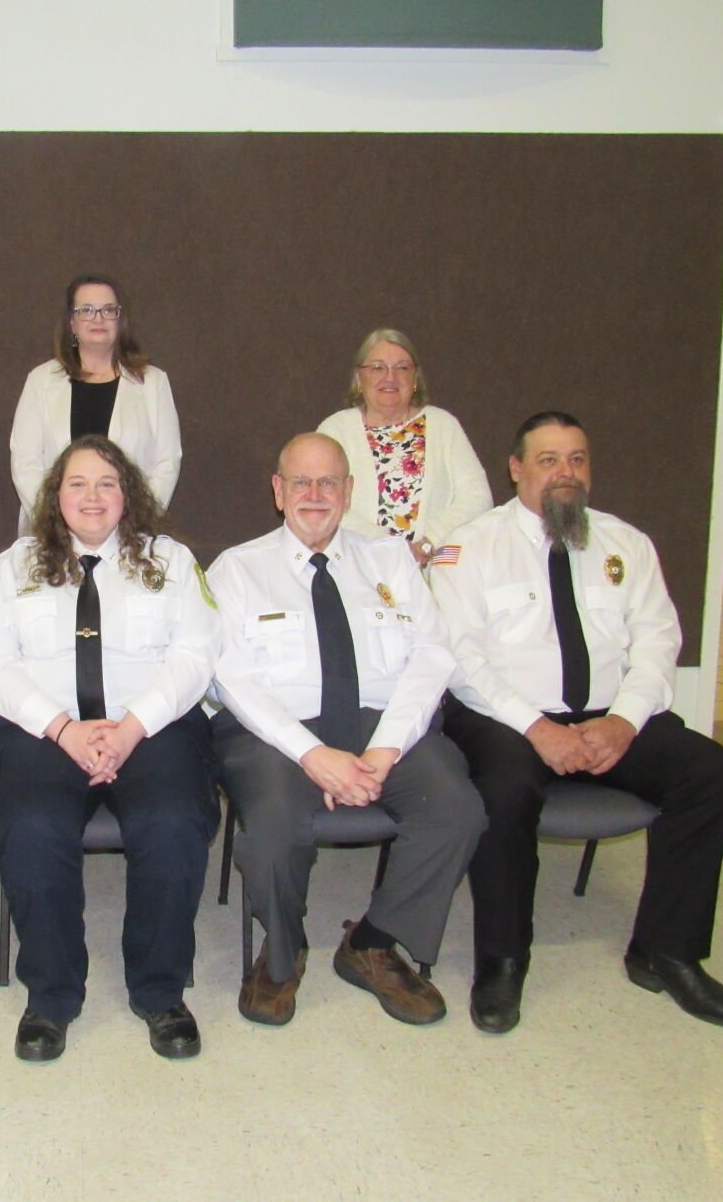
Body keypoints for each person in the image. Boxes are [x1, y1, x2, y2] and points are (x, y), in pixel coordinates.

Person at [428, 411, 723, 1033]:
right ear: (516, 469)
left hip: (612, 715)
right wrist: (538, 729)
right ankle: (502, 960)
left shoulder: (626, 545)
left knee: (711, 774)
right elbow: (460, 659)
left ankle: (668, 951)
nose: (565, 473)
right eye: (548, 460)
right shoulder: (468, 549)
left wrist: (625, 722)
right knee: (503, 789)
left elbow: (659, 644)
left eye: (577, 459)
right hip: (507, 717)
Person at [208, 433, 485, 1028]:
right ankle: (282, 955)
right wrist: (313, 755)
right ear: (277, 491)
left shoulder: (390, 561)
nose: (315, 494)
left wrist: (386, 748)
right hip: (274, 733)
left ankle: (373, 943)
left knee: (457, 810)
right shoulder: (237, 569)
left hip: (384, 728)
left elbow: (433, 655)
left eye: (329, 481)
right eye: (300, 482)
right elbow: (230, 678)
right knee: (275, 826)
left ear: (349, 491)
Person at [0, 435, 219, 1063]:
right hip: (43, 730)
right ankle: (50, 998)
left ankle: (160, 992)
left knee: (173, 822)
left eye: (107, 483)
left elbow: (195, 657)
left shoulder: (173, 561)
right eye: (78, 483)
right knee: (30, 826)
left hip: (151, 726)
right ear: (56, 496)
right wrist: (62, 729)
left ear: (128, 494)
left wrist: (131, 728)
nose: (93, 496)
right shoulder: (15, 566)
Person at [8, 274, 181, 528]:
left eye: (108, 310)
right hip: (53, 536)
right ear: (72, 322)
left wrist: (133, 522)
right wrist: (58, 521)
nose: (98, 318)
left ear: (120, 320)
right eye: (86, 310)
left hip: (131, 535)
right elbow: (26, 463)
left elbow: (167, 462)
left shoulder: (153, 383)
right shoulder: (40, 381)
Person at [316, 328, 490, 565]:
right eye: (377, 367)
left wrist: (429, 542)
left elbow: (478, 497)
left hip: (433, 569)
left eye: (402, 368)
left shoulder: (443, 424)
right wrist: (391, 548)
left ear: (415, 378)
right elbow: (324, 501)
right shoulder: (335, 430)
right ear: (359, 378)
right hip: (358, 567)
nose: (390, 377)